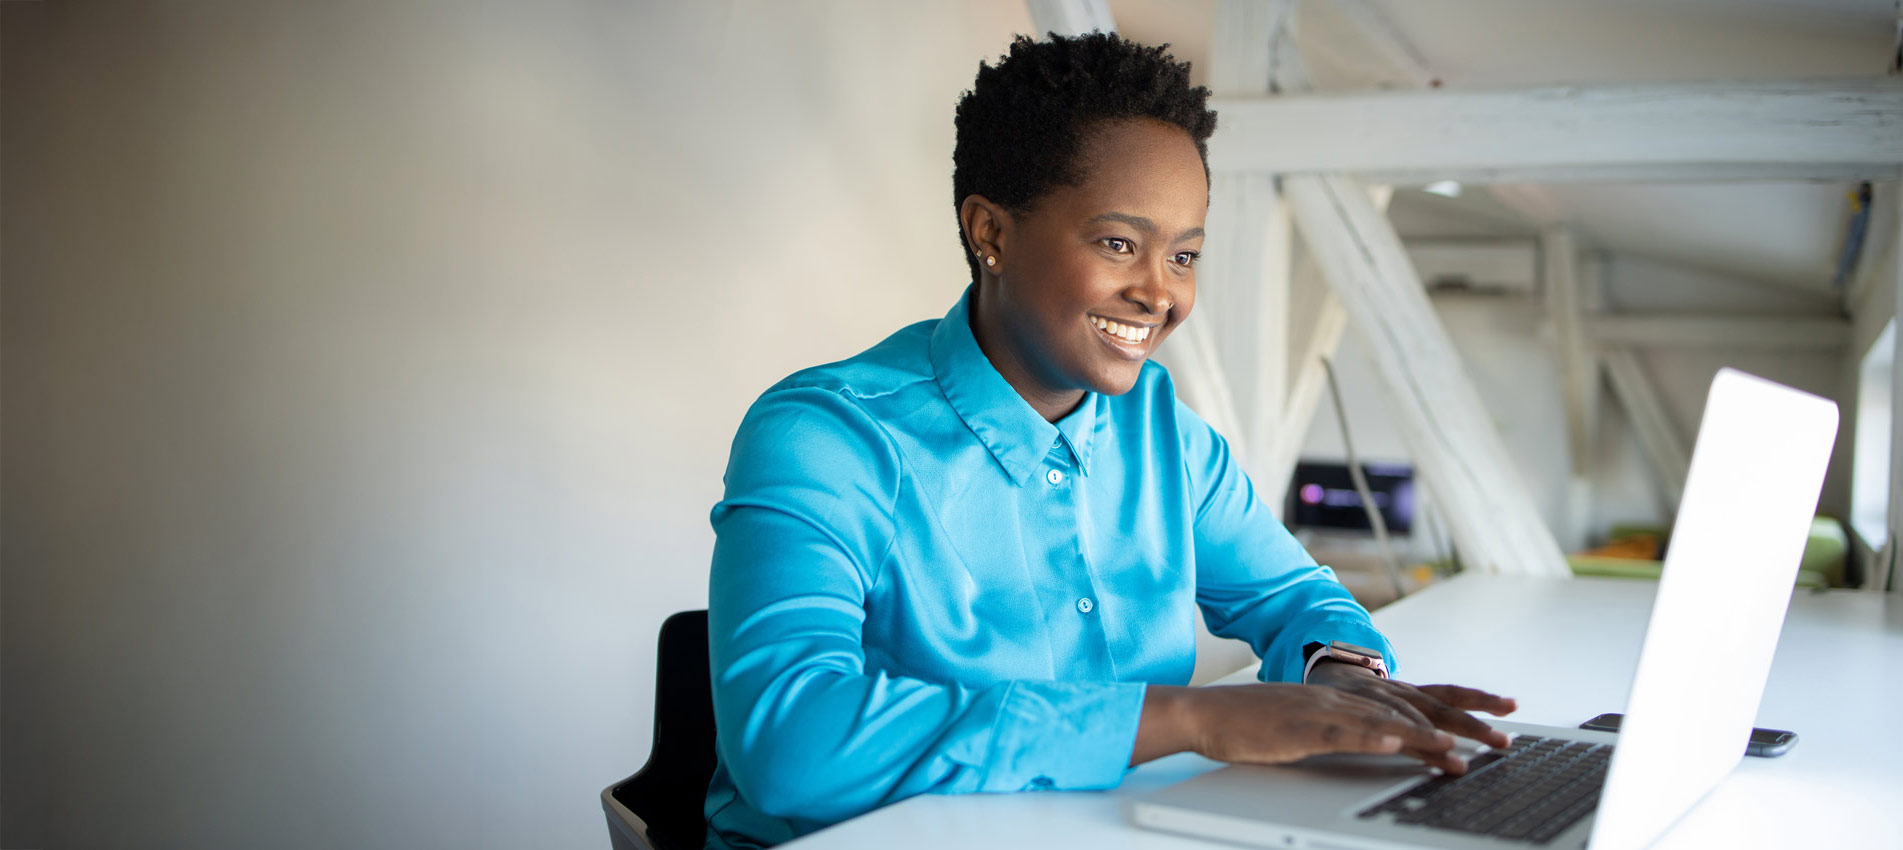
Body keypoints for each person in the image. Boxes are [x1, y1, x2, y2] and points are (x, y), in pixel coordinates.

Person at [701, 33, 1516, 850]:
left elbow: (1292, 600)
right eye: (1118, 243)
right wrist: (1189, 716)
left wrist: (1337, 674)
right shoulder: (825, 435)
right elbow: (790, 744)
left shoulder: (1165, 435)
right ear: (990, 232)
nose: (1159, 293)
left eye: (1184, 254)